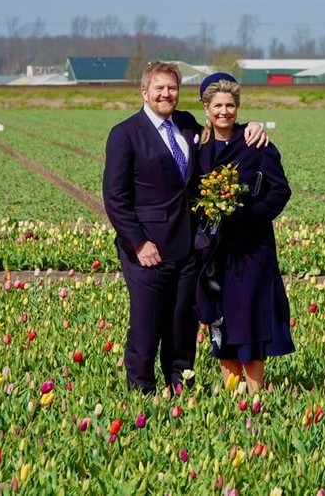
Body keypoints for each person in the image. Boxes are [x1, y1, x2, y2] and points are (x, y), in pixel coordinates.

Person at [102, 61, 266, 394]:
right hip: (148, 248)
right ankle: (142, 389)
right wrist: (137, 243)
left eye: (172, 88)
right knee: (147, 323)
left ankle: (179, 384)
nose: (166, 93)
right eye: (159, 88)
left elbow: (222, 126)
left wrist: (254, 126)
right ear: (144, 91)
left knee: (182, 322)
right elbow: (115, 197)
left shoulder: (186, 123)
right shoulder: (125, 134)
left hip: (189, 244)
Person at [195, 72, 294, 393]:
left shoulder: (255, 143)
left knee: (250, 319)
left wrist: (246, 215)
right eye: (217, 106)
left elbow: (280, 191)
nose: (224, 112)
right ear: (206, 109)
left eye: (231, 105)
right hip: (214, 252)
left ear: (238, 108)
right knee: (220, 318)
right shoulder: (198, 147)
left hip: (252, 249)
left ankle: (254, 395)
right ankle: (231, 394)